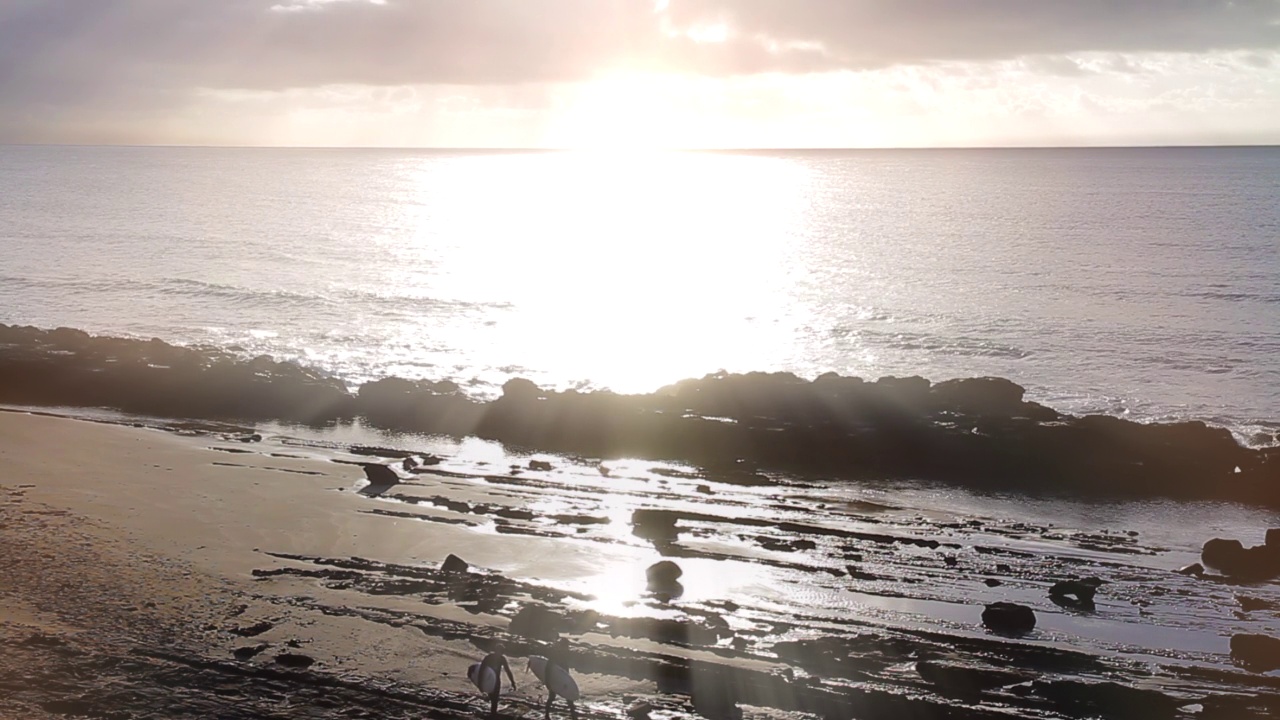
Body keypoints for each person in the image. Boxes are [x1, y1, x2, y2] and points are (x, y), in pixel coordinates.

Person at [479, 644, 516, 716]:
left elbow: (508, 670)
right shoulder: (490, 658)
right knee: (492, 698)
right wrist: (480, 683)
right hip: (490, 680)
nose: (500, 653)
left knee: (495, 700)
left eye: (501, 652)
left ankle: (493, 714)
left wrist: (513, 682)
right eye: (500, 651)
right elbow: (481, 670)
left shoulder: (499, 658)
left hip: (494, 681)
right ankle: (492, 714)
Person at [544, 638, 577, 720]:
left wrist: (568, 679)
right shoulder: (554, 655)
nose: (567, 648)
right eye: (566, 646)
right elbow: (547, 669)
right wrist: (548, 682)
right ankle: (546, 715)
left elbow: (565, 668)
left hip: (563, 679)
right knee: (552, 697)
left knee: (569, 697)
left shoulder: (564, 655)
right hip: (554, 679)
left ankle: (573, 716)